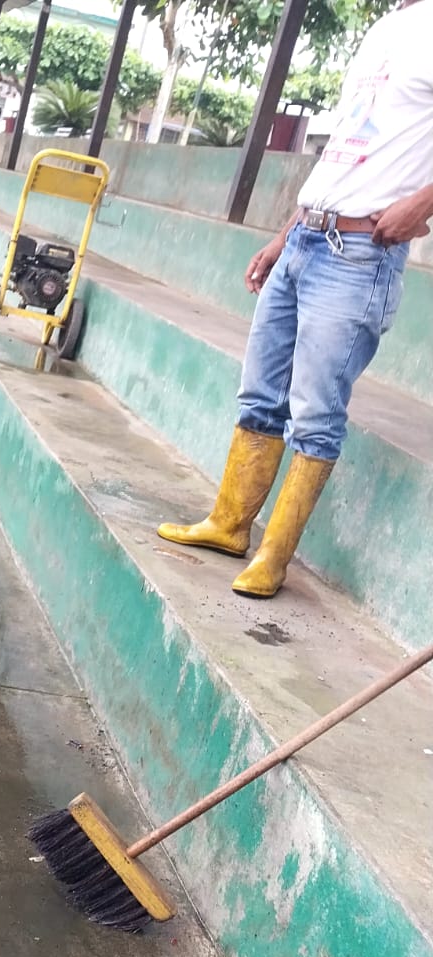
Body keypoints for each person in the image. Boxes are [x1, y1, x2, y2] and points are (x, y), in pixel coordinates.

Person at [158, 0, 433, 597]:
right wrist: (286, 235)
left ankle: (273, 558)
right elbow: (347, 149)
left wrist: (422, 203)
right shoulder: (385, 28)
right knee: (261, 391)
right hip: (308, 236)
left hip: (360, 252)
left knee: (315, 412)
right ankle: (230, 524)